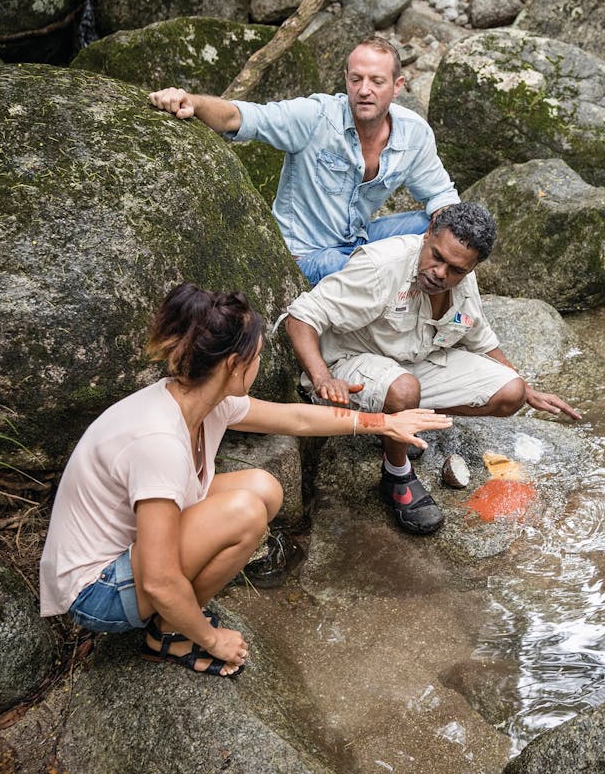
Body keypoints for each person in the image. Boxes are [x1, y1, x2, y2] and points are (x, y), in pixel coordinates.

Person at [39, 284, 451, 677]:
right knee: (246, 514)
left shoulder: (202, 399)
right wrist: (211, 638)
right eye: (255, 355)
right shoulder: (159, 442)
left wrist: (383, 422)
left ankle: (174, 620)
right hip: (97, 591)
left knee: (263, 488)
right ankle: (169, 635)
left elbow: (297, 418)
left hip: (130, 550)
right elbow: (160, 581)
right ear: (234, 365)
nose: (259, 363)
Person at [284, 202, 581, 536]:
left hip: (410, 365)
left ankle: (398, 419)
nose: (441, 273)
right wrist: (323, 377)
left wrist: (527, 389)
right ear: (427, 235)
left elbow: (481, 339)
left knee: (510, 393)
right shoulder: (382, 265)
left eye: (456, 269)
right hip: (346, 367)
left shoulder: (462, 281)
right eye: (437, 257)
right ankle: (397, 473)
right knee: (404, 389)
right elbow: (300, 318)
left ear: (471, 267)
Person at [147, 37, 459, 285]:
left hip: (358, 240)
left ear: (398, 85)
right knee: (359, 270)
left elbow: (440, 195)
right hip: (304, 257)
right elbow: (238, 117)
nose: (364, 90)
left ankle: (447, 316)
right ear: (346, 80)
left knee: (446, 228)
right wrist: (191, 101)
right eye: (356, 79)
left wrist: (447, 237)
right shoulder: (314, 117)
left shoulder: (413, 133)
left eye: (377, 81)